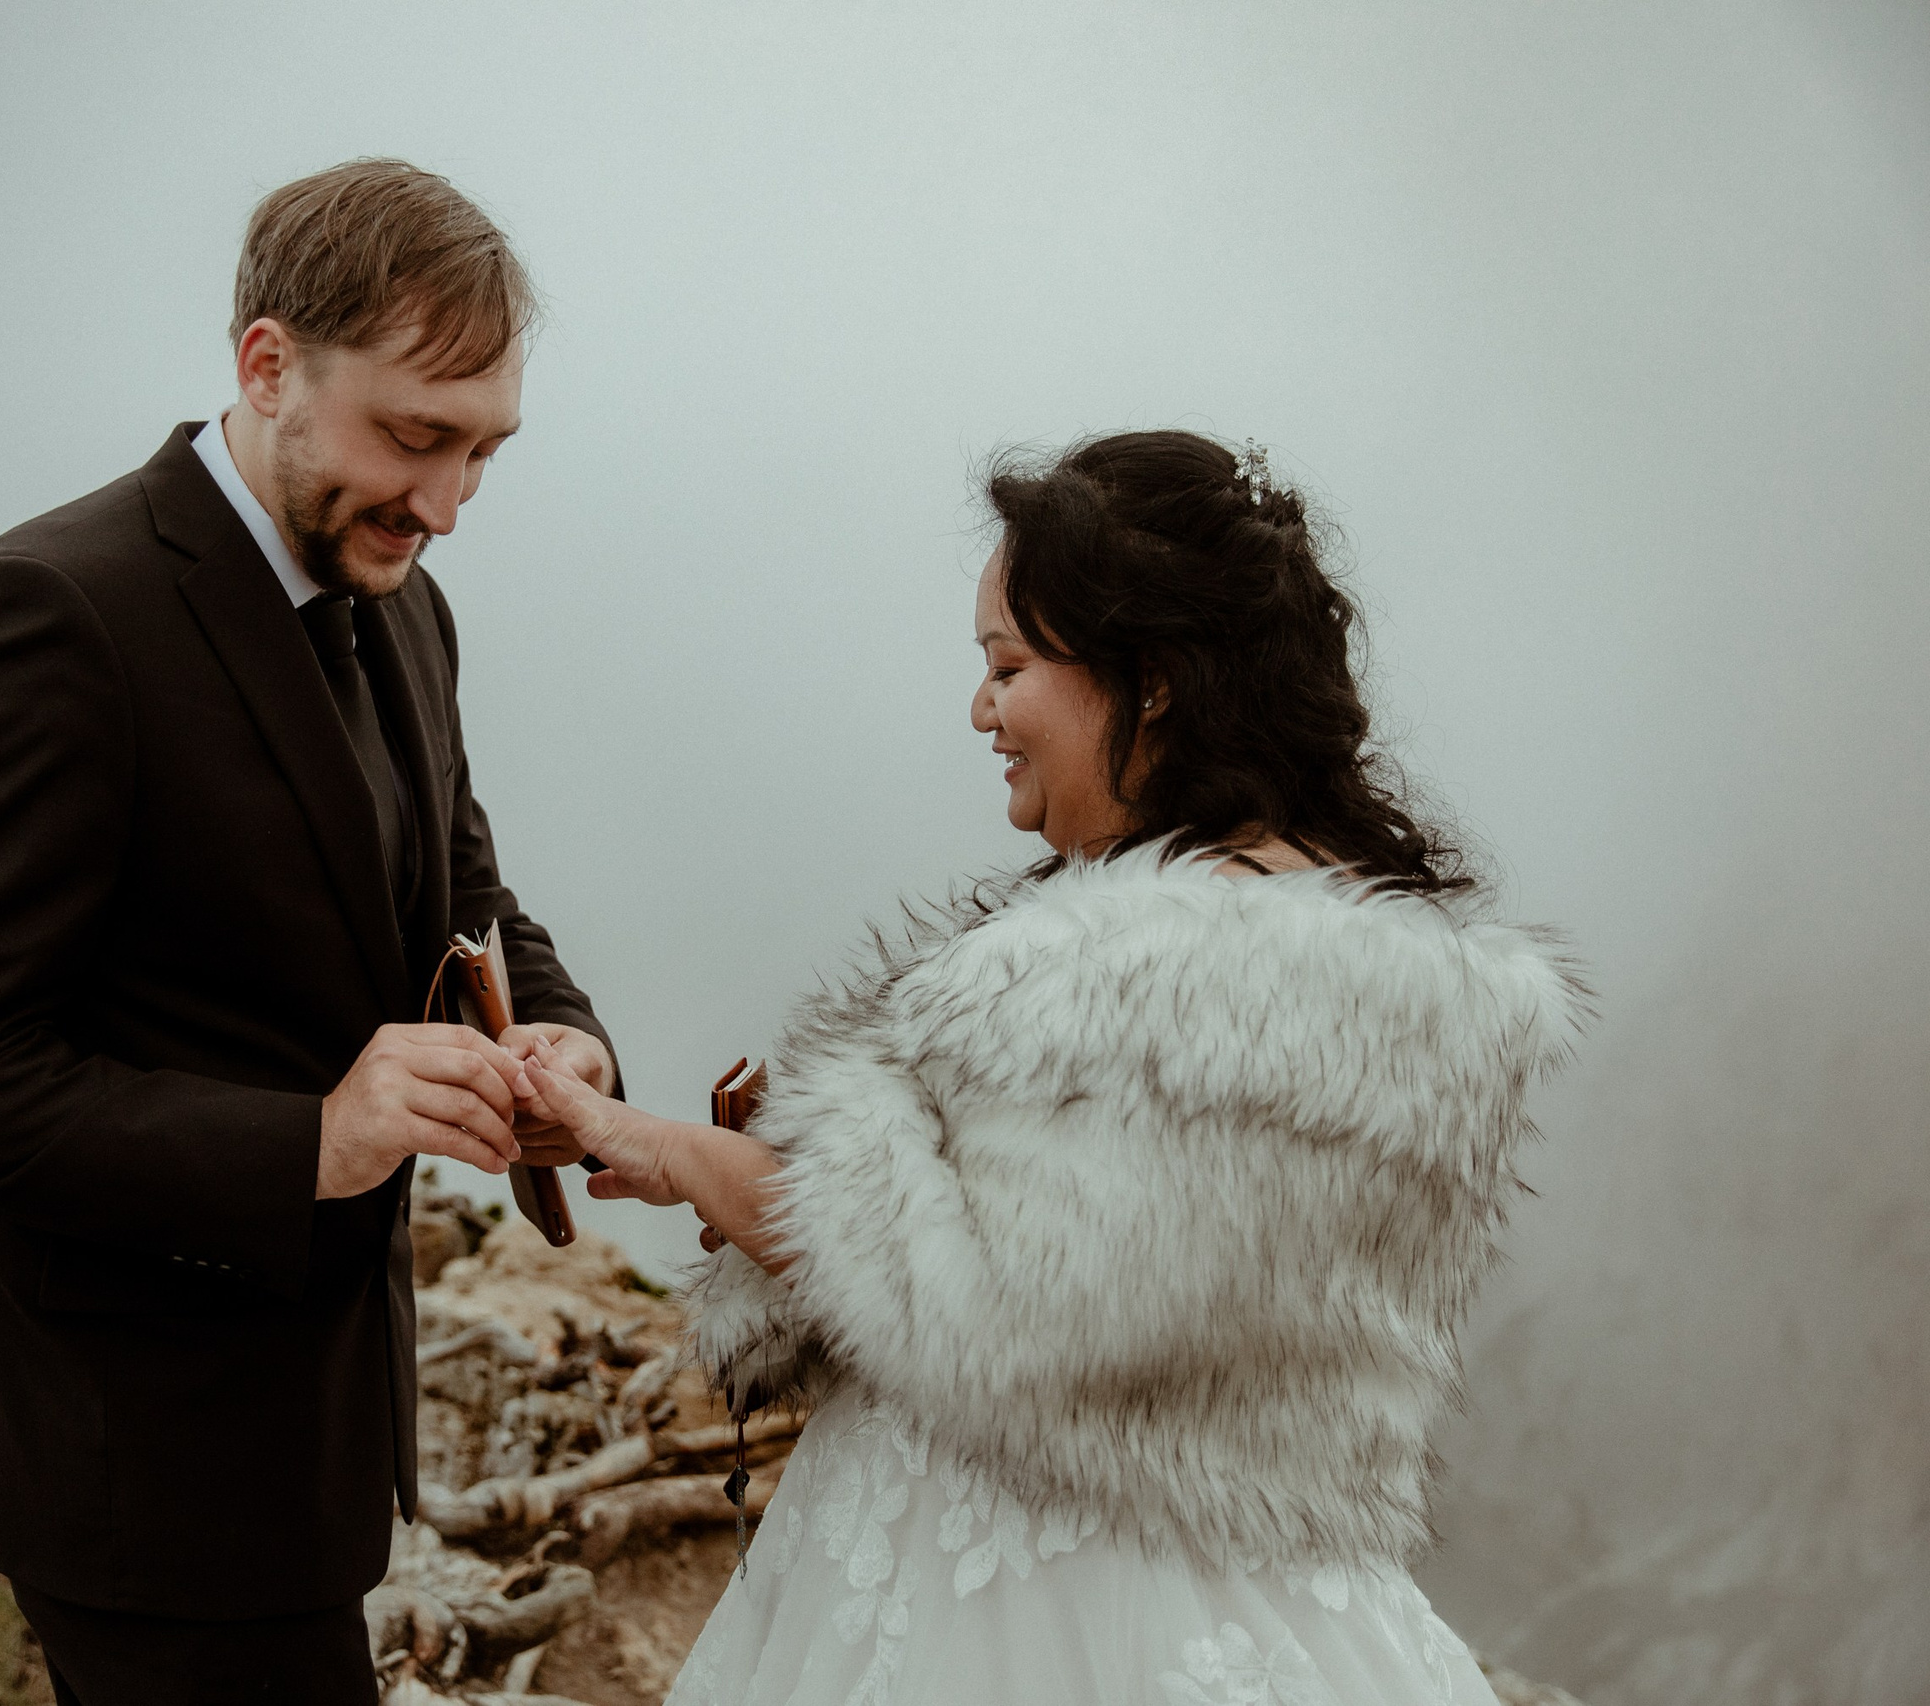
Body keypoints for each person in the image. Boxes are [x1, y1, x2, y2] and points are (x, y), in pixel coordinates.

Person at [512, 430, 1587, 1705]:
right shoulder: (1348, 961)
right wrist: (737, 1172)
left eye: (1008, 666)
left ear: (1153, 679)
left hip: (1034, 1602)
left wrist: (674, 1149)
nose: (981, 710)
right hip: (1252, 1582)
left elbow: (976, 1311)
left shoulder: (1153, 968)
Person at [0, 159, 618, 1705]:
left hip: (315, 1434)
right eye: (415, 435)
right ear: (268, 366)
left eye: (485, 449)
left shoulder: (400, 598)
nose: (451, 503)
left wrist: (557, 1023)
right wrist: (310, 1138)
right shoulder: (45, 617)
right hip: (134, 1464)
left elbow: (463, 891)